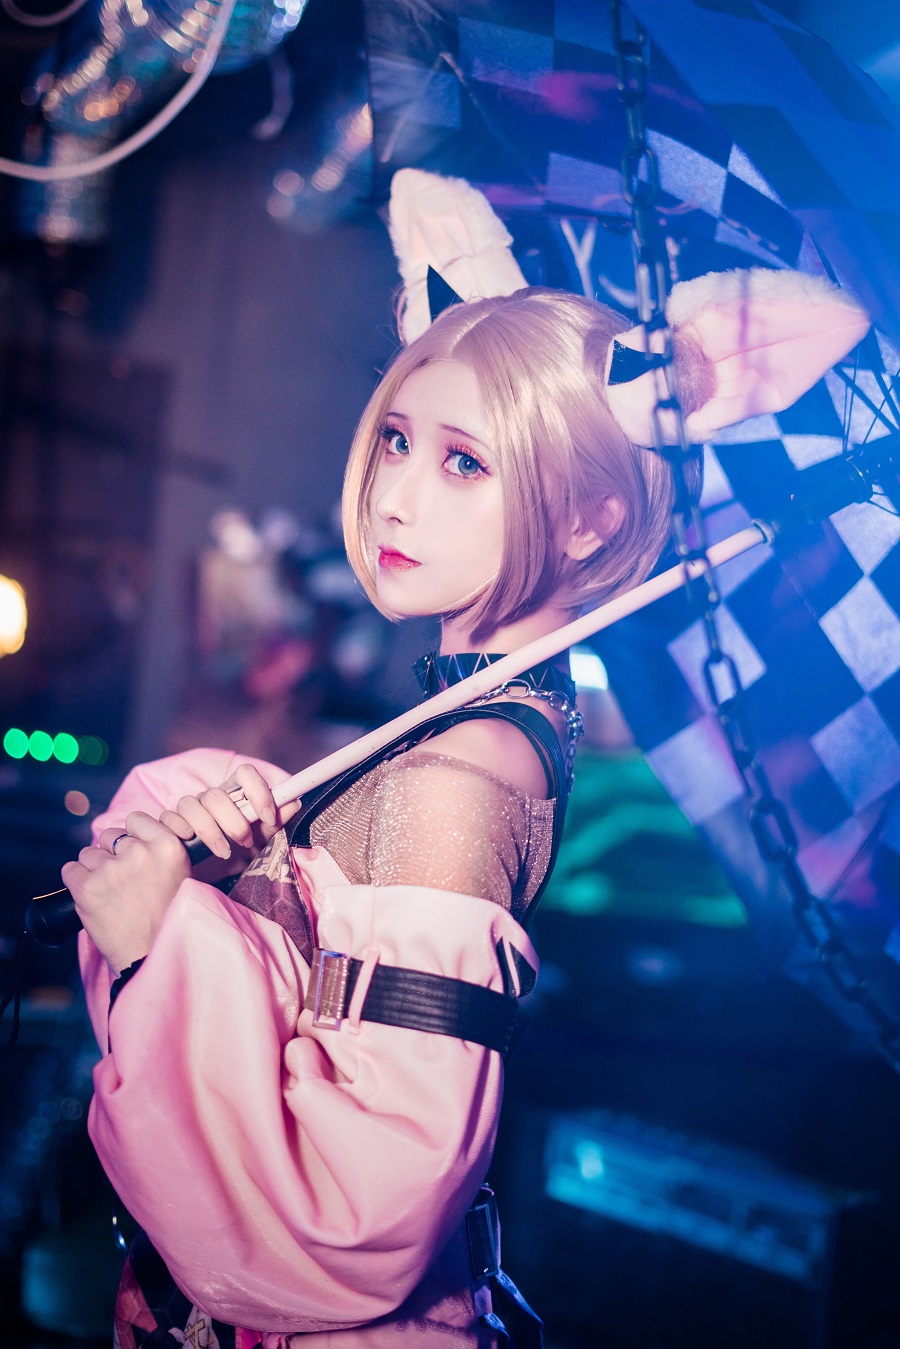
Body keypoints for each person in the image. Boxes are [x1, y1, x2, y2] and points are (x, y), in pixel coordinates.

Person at [63, 173, 868, 1349]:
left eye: (463, 463)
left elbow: (357, 1215)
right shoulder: (468, 729)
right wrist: (227, 855)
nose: (394, 495)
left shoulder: (463, 777)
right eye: (398, 438)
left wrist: (162, 948)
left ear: (588, 519)